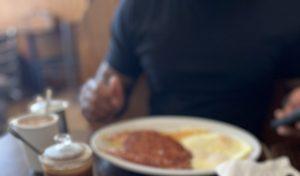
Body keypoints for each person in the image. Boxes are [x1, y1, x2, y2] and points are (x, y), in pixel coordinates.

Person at [79, 0, 300, 137]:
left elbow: (295, 86)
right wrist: (97, 97)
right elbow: (112, 80)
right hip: (156, 153)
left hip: (248, 158)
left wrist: (295, 107)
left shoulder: (283, 7)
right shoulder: (139, 5)